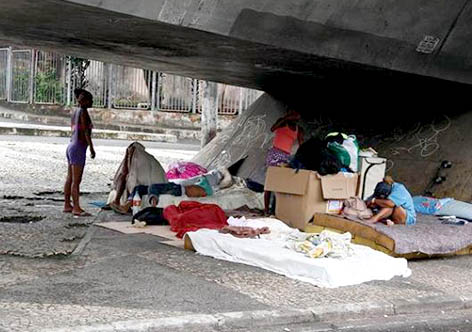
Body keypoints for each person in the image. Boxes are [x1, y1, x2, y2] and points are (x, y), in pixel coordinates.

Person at [63, 89, 96, 216]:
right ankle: (76, 207)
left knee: (70, 178)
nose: (91, 102)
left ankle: (67, 204)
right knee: (76, 181)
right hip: (79, 148)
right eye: (90, 100)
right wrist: (92, 148)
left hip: (71, 145)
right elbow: (86, 132)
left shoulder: (75, 112)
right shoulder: (84, 112)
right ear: (85, 101)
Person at [264, 109, 304, 215]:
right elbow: (272, 129)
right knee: (269, 183)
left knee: (281, 184)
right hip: (274, 153)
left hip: (286, 156)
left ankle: (276, 209)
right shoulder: (282, 122)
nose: (295, 118)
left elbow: (301, 144)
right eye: (293, 115)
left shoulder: (298, 129)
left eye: (297, 116)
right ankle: (266, 210)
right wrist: (285, 118)